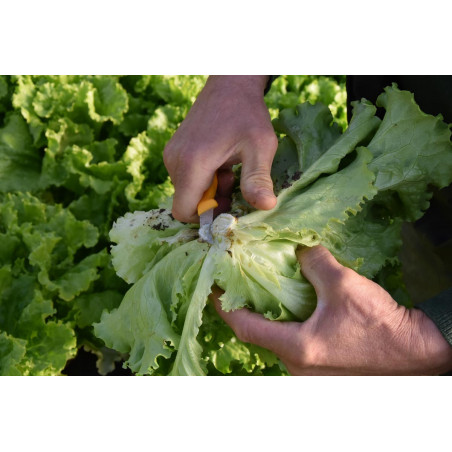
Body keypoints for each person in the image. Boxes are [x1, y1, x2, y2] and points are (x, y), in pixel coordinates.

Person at [163, 75, 452, 375]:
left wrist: (432, 338)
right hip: (415, 186)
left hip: (411, 165)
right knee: (416, 266)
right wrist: (237, 80)